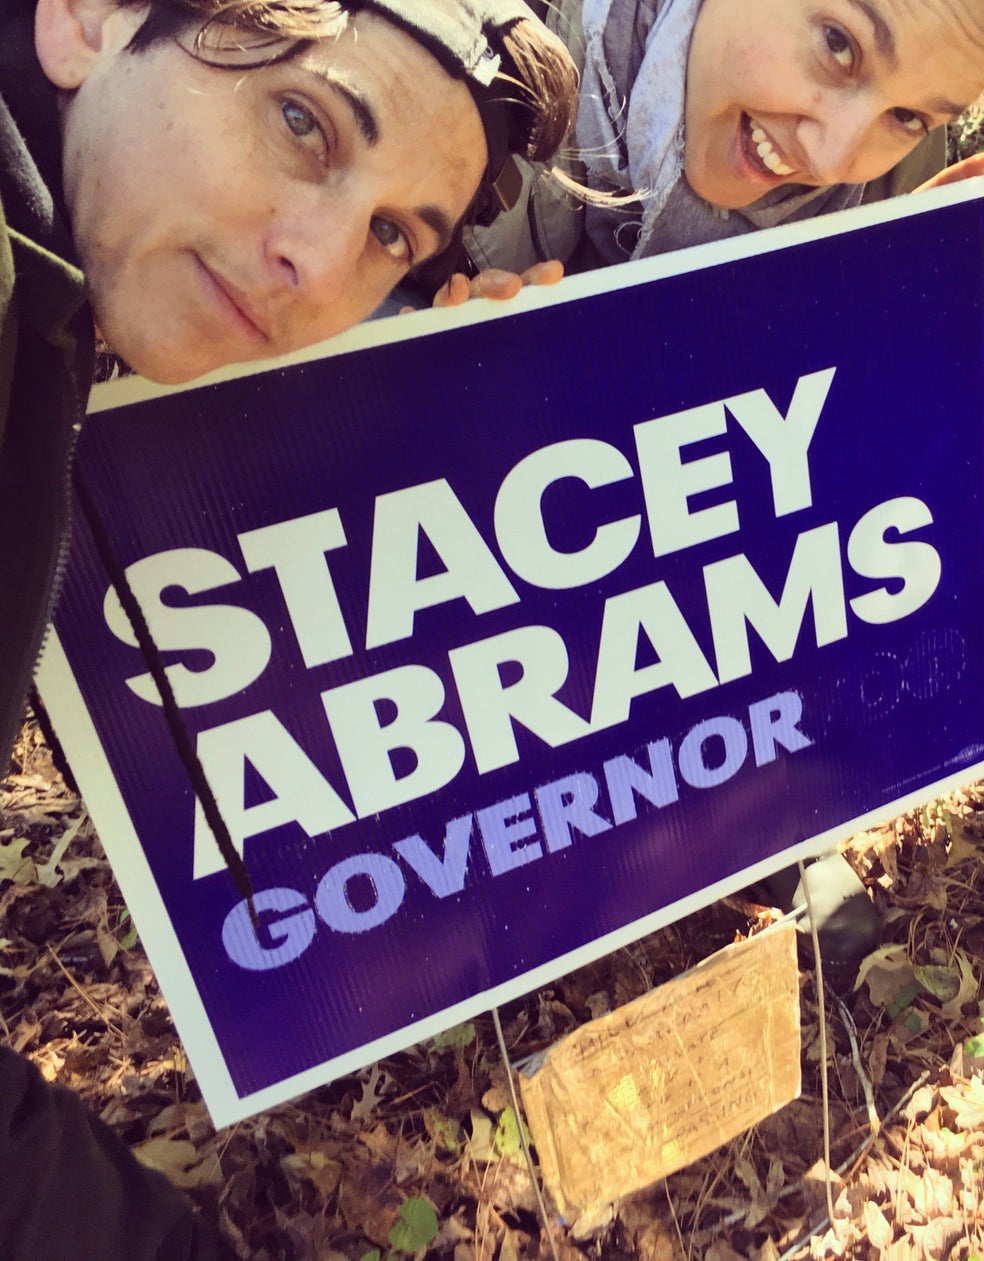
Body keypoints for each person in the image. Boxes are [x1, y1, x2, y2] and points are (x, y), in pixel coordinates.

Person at [0, 0, 576, 1255]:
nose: (319, 265)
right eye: (303, 122)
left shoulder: (61, 273)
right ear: (88, 20)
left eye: (389, 235)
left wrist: (424, 405)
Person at [427, 0, 984, 964]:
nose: (834, 150)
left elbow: (807, 475)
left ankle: (772, 823)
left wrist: (893, 318)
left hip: (700, 562)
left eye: (909, 115)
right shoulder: (477, 58)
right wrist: (417, 363)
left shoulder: (880, 162)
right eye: (838, 44)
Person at [433, 0, 984, 307]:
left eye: (909, 115)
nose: (832, 161)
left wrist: (875, 349)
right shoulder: (448, 77)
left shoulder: (899, 187)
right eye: (838, 44)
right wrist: (438, 384)